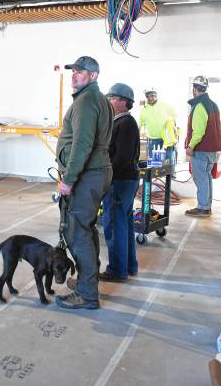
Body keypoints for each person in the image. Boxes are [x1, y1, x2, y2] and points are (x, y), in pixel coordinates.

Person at [55, 56, 113, 310]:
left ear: (94, 76)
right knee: (86, 231)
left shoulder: (87, 102)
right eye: (74, 71)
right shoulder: (98, 100)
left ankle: (87, 295)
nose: (74, 75)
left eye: (80, 71)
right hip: (96, 173)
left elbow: (82, 145)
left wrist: (68, 180)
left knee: (78, 234)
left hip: (87, 175)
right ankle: (87, 282)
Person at [100, 83, 140, 282]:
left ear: (124, 102)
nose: (108, 101)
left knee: (115, 226)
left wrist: (106, 175)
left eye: (112, 98)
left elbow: (121, 158)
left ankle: (116, 270)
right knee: (124, 225)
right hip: (125, 180)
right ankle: (129, 266)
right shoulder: (120, 122)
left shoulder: (125, 123)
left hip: (120, 181)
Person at [184, 75, 221, 217]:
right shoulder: (213, 104)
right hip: (212, 150)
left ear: (195, 89)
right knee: (206, 177)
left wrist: (191, 146)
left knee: (200, 178)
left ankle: (202, 207)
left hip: (201, 149)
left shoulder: (199, 106)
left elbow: (199, 131)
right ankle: (207, 206)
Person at [139, 87, 177, 164]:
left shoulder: (165, 105)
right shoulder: (144, 109)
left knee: (169, 161)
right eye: (148, 96)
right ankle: (154, 176)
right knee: (154, 163)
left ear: (156, 96)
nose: (150, 98)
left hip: (167, 138)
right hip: (153, 139)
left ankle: (171, 175)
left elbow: (174, 116)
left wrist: (174, 128)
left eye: (152, 95)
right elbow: (140, 123)